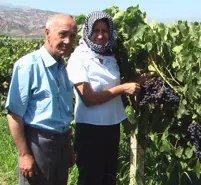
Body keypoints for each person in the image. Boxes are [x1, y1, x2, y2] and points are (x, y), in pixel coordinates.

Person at [66, 11, 142, 185]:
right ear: (88, 32)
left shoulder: (111, 56)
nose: (101, 35)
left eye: (105, 31)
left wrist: (141, 79)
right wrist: (123, 89)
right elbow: (89, 98)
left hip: (111, 126)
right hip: (89, 129)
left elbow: (116, 84)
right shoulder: (79, 57)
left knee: (108, 178)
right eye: (96, 30)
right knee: (90, 179)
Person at [5, 14, 77, 185]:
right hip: (38, 144)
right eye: (63, 34)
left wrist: (67, 146)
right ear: (47, 33)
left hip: (60, 143)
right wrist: (24, 154)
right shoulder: (28, 66)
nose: (68, 41)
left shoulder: (61, 69)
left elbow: (62, 113)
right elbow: (14, 114)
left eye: (72, 36)